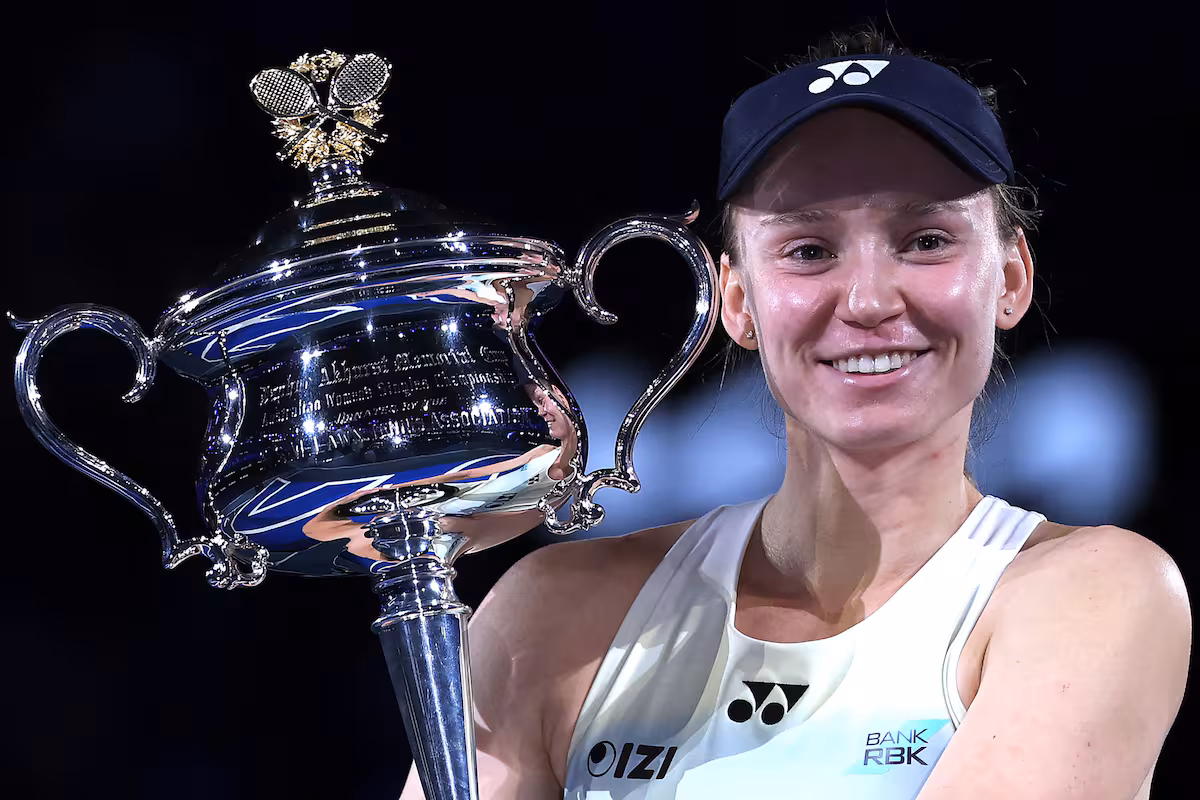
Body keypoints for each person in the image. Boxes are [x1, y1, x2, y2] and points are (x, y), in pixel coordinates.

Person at [400, 26, 1191, 799]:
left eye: (925, 240)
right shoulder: (555, 612)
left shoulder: (1096, 594)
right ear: (737, 302)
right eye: (809, 250)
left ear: (1011, 279)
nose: (870, 301)